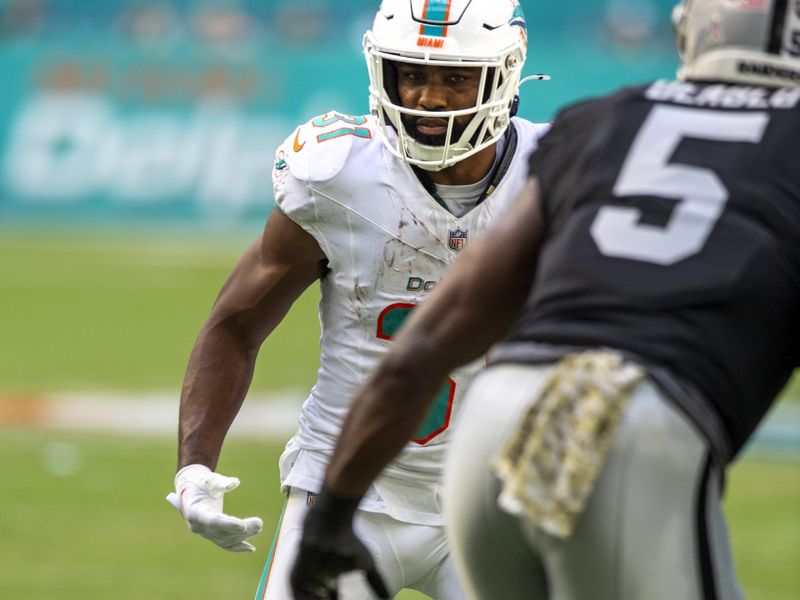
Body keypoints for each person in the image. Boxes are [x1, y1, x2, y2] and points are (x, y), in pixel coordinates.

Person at [290, 1, 800, 599]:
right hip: (628, 420)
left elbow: (428, 342)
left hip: (496, 422)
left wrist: (328, 518)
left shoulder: (605, 117)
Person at [166, 0, 551, 598]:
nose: (428, 98)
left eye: (455, 77)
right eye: (413, 74)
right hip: (346, 489)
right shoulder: (336, 173)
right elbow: (235, 325)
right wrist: (194, 466)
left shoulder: (559, 175)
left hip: (497, 494)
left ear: (503, 72)